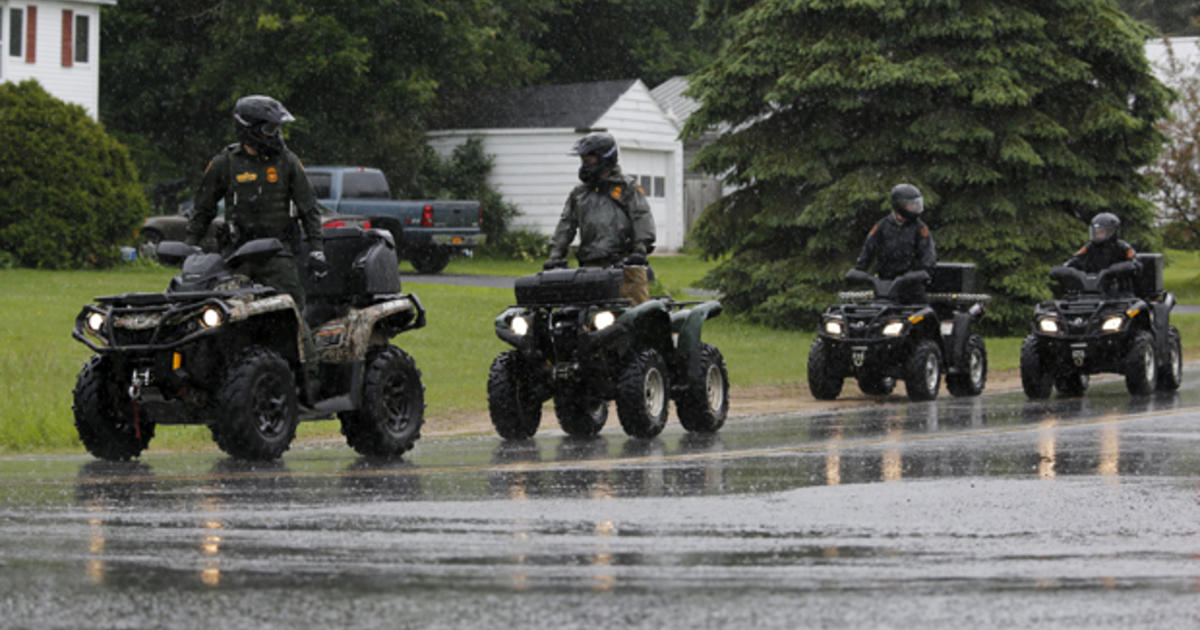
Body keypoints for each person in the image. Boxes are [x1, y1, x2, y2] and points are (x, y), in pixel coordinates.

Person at [186, 94, 326, 397]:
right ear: (248, 129)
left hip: (278, 256)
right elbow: (203, 210)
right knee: (215, 315)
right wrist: (190, 246)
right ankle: (217, 382)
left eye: (277, 130)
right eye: (269, 131)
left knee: (294, 313)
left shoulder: (287, 162)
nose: (276, 137)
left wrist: (316, 249)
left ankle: (310, 383)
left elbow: (309, 209)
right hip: (235, 257)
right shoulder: (225, 163)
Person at [544, 132, 657, 304]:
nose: (585, 165)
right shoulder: (579, 194)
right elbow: (566, 225)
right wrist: (555, 255)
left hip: (626, 267)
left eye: (589, 160)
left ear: (606, 159)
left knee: (637, 316)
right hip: (590, 268)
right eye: (583, 161)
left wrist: (640, 251)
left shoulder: (627, 188)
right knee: (586, 319)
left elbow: (642, 217)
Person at [854, 183, 937, 280]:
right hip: (885, 280)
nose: (915, 207)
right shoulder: (882, 226)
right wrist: (860, 271)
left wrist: (925, 270)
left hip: (911, 280)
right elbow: (868, 248)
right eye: (911, 205)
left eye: (916, 204)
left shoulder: (920, 228)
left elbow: (928, 252)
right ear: (900, 205)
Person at [1064, 212, 1141, 292]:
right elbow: (1073, 260)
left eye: (1102, 232)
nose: (1098, 235)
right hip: (1091, 291)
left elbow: (1135, 263)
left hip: (1121, 293)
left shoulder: (1123, 247)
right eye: (1096, 232)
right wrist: (1064, 270)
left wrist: (1114, 270)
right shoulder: (1089, 247)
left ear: (1112, 232)